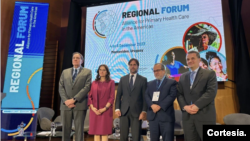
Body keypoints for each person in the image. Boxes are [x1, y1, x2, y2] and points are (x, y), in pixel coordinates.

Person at [177, 50, 218, 141]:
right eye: (188, 59)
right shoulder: (183, 76)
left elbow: (211, 92)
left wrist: (196, 106)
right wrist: (185, 107)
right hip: (188, 118)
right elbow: (179, 94)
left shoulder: (209, 74)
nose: (190, 61)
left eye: (193, 58)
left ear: (199, 60)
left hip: (205, 116)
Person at [59, 52, 92, 141]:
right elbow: (61, 87)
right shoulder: (65, 72)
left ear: (82, 60)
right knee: (65, 130)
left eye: (78, 58)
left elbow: (87, 87)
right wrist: (66, 101)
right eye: (74, 58)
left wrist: (74, 99)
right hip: (65, 105)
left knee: (79, 130)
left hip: (79, 104)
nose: (75, 59)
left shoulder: (87, 72)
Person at [115, 58, 147, 141]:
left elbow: (145, 97)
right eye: (131, 65)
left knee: (136, 137)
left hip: (137, 112)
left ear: (138, 66)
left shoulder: (143, 80)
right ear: (129, 66)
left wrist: (143, 111)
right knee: (123, 137)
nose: (133, 66)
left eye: (135, 65)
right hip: (124, 112)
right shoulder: (123, 79)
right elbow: (118, 96)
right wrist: (117, 108)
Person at [145, 63, 177, 141]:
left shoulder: (171, 82)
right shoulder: (149, 84)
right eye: (154, 71)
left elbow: (172, 95)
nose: (156, 72)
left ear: (163, 71)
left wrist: (160, 106)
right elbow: (146, 96)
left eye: (158, 70)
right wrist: (152, 105)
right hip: (153, 117)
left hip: (166, 116)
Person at [88, 64, 115, 141]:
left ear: (107, 72)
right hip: (94, 110)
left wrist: (104, 108)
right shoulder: (94, 83)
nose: (101, 71)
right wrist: (93, 108)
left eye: (104, 70)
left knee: (104, 132)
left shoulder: (111, 82)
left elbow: (112, 97)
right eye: (100, 69)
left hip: (106, 111)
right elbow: (90, 97)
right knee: (96, 132)